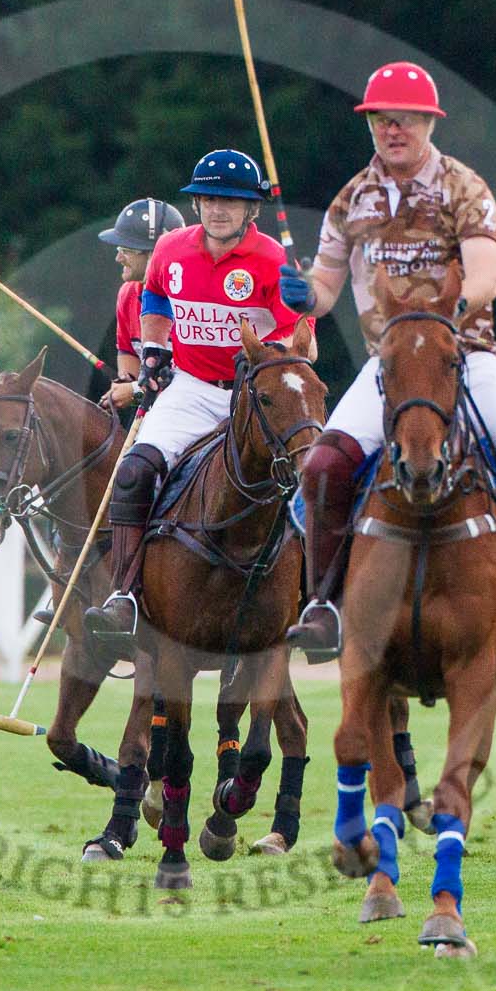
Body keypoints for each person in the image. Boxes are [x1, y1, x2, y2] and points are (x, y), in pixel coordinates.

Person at [283, 61, 496, 660]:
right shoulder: (351, 199)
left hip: (465, 355)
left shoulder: (466, 188)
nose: (393, 130)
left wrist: (438, 315)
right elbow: (327, 284)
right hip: (388, 367)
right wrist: (305, 291)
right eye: (382, 121)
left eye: (406, 120)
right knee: (321, 469)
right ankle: (322, 605)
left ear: (430, 122)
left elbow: (484, 277)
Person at [81, 151, 309, 643]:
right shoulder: (169, 249)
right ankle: (126, 596)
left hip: (254, 396)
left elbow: (296, 340)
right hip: (193, 387)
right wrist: (156, 353)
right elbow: (156, 296)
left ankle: (313, 605)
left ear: (251, 209)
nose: (216, 208)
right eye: (207, 198)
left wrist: (272, 361)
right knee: (135, 470)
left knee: (310, 476)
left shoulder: (271, 260)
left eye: (230, 200)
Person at [97, 197, 182, 414]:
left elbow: (195, 383)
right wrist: (127, 381)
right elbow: (128, 352)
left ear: (155, 254)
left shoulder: (188, 298)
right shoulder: (127, 294)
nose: (118, 258)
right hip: (152, 412)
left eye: (126, 249)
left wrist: (135, 392)